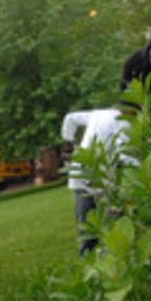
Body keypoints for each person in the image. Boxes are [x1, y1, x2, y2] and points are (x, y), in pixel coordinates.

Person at [61, 108, 133, 256]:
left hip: (81, 173)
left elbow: (70, 118)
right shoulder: (126, 124)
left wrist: (68, 140)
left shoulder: (99, 113)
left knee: (86, 227)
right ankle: (107, 263)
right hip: (104, 178)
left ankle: (88, 262)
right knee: (112, 226)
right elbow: (126, 155)